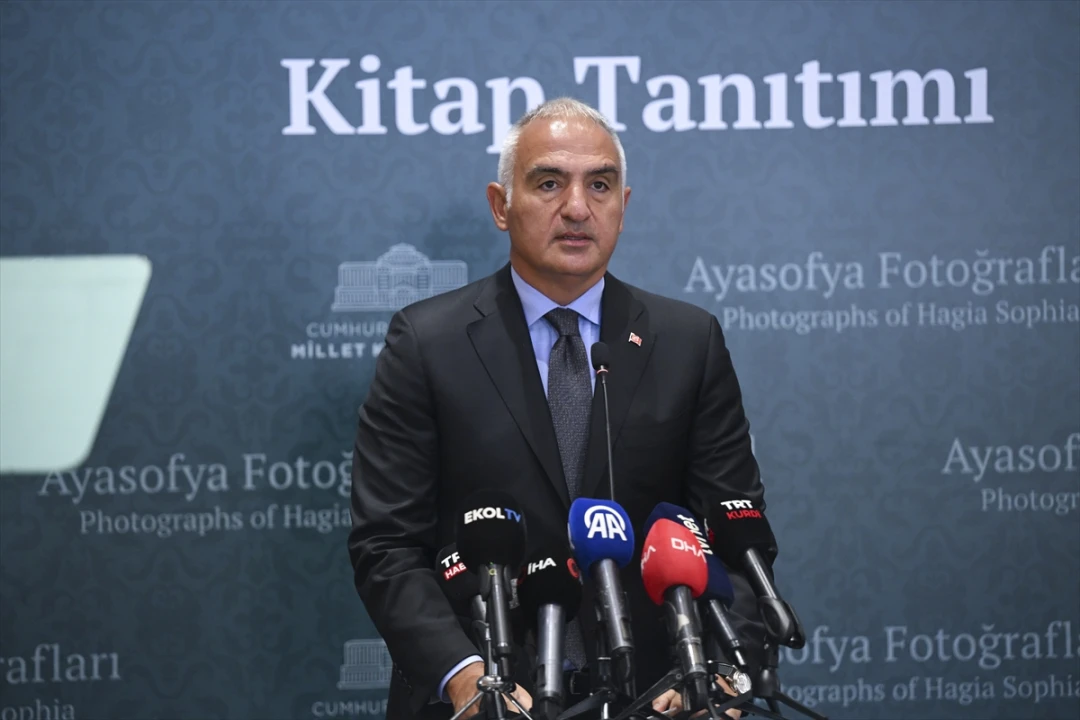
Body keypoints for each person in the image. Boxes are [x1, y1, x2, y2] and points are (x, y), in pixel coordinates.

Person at [348, 97, 769, 720]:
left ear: (624, 206)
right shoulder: (427, 344)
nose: (577, 207)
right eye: (549, 183)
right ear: (501, 205)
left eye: (600, 185)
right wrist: (464, 677)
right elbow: (387, 545)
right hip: (489, 695)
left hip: (660, 697)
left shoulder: (687, 341)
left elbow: (736, 531)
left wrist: (727, 671)